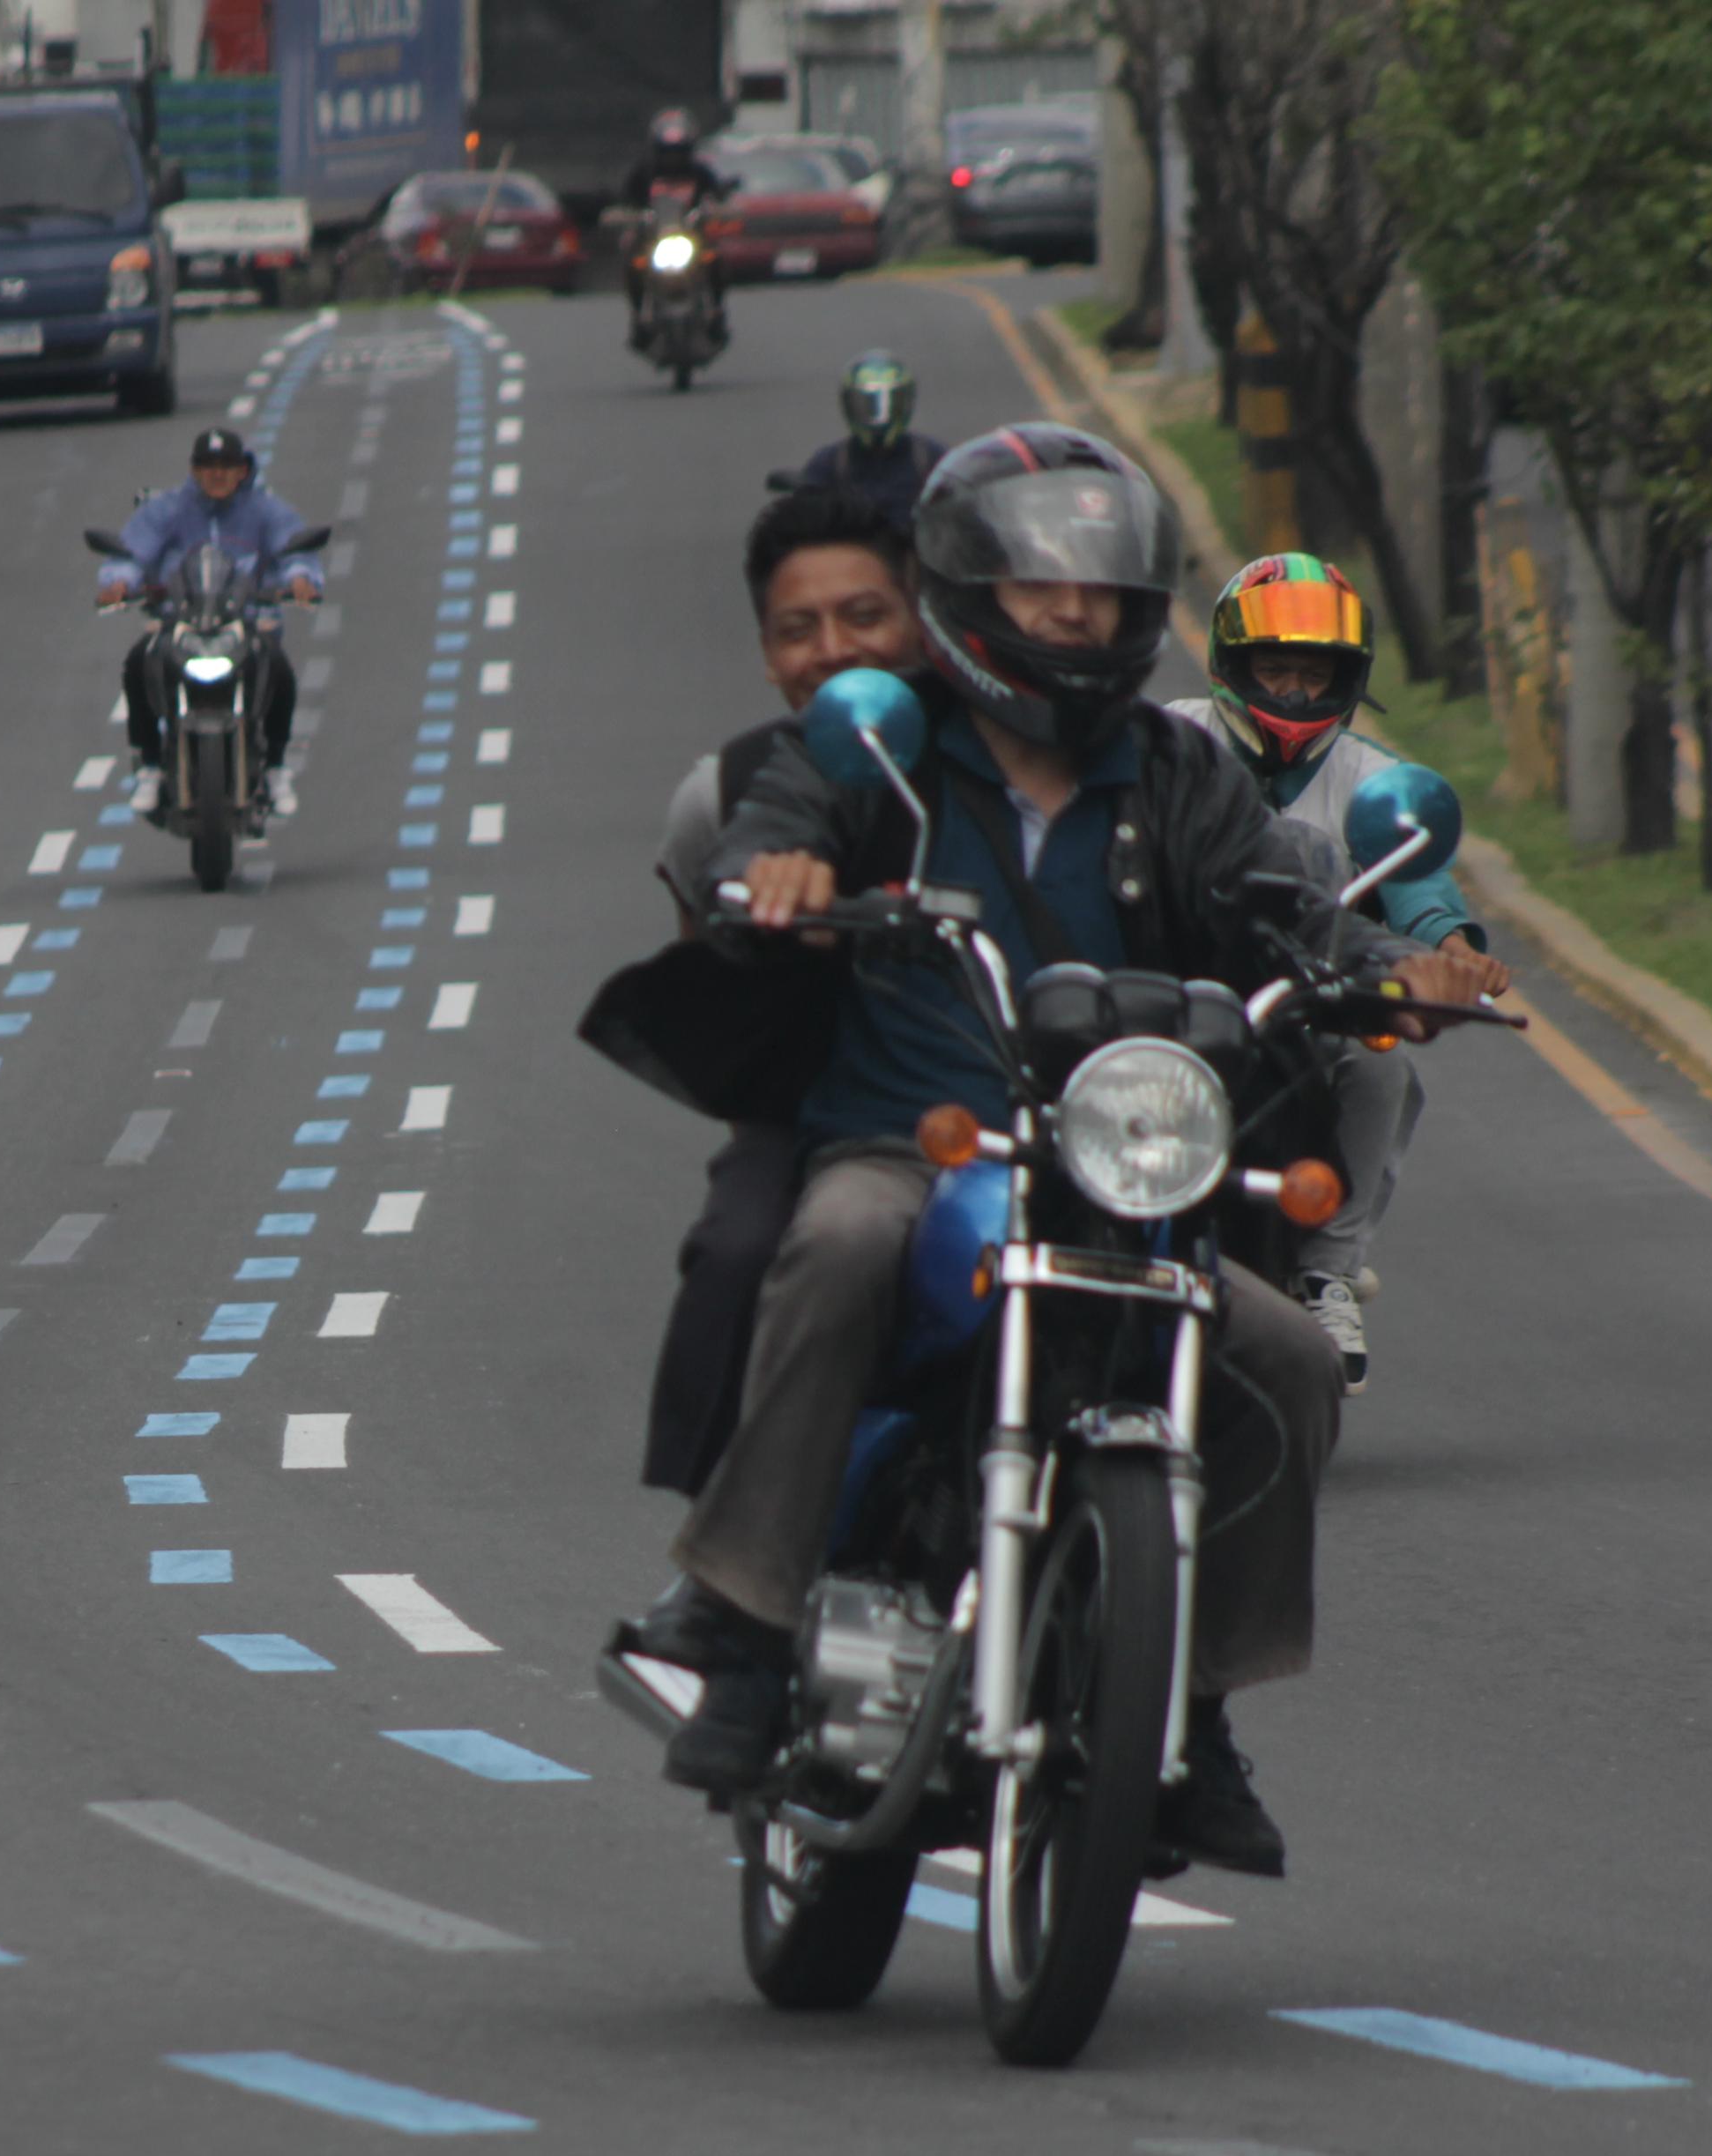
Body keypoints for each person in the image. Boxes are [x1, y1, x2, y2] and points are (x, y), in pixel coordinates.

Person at [620, 425, 1508, 1874]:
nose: (1077, 616)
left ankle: (1201, 1703)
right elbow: (778, 813)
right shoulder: (883, 741)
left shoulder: (1176, 770)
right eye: (1044, 590)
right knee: (837, 1241)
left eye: (1099, 591)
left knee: (1285, 1353)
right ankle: (748, 1619)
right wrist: (776, 868)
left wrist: (1400, 963)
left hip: (1120, 1168)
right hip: (918, 1145)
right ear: (971, 588)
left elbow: (1282, 902)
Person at [639, 484, 930, 1499]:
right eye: (796, 630)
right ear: (767, 655)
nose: (833, 650)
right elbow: (704, 958)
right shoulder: (725, 790)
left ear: (923, 618)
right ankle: (717, 1554)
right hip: (817, 1116)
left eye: (864, 616)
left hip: (1010, 1108)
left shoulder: (998, 751)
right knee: (738, 1249)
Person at [1163, 553, 1488, 1390]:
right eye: (1278, 669)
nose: (1298, 693)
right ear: (1234, 668)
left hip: (1310, 996)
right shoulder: (1173, 745)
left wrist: (1450, 948)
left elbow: (1415, 872)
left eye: (1316, 673)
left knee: (1383, 1064)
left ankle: (1328, 1270)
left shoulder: (1370, 779)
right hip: (1179, 986)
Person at [97, 427, 322, 819]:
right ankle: (149, 765)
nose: (217, 475)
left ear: (242, 471)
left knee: (279, 668)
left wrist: (300, 581)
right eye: (208, 466)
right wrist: (117, 583)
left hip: (246, 623)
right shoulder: (167, 509)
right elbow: (131, 552)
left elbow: (293, 549)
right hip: (180, 624)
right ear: (194, 470)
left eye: (226, 467)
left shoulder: (266, 510)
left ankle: (276, 769)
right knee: (138, 663)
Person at [616, 109, 734, 350]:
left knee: (715, 258)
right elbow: (625, 201)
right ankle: (639, 316)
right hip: (654, 238)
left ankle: (716, 311)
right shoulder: (644, 173)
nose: (674, 158)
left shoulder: (700, 172)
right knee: (633, 261)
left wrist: (720, 209)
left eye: (679, 152)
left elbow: (718, 198)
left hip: (692, 238)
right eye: (668, 152)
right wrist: (626, 216)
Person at [790, 353, 942, 527]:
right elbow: (804, 514)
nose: (878, 418)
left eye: (888, 404)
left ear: (906, 403)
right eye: (867, 405)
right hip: (854, 550)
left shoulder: (930, 457)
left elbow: (962, 509)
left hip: (916, 550)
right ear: (848, 405)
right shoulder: (831, 462)